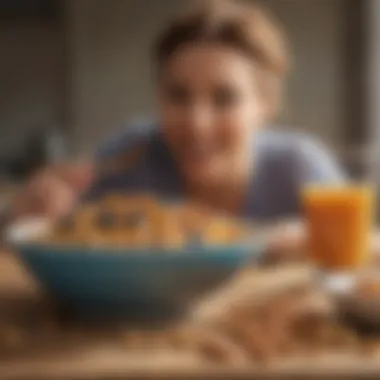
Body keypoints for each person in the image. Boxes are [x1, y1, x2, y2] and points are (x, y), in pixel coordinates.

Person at [7, 0, 346, 256]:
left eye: (224, 98)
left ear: (266, 106)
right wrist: (20, 218)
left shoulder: (300, 167)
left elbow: (366, 251)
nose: (197, 123)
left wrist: (316, 241)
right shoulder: (129, 157)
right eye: (178, 96)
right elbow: (52, 238)